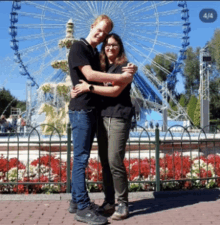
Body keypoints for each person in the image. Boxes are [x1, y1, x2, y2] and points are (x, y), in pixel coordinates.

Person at [68, 15, 135, 225]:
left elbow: (108, 86)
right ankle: (84, 206)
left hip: (102, 113)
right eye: (100, 32)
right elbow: (89, 74)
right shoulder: (79, 48)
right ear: (92, 26)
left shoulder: (98, 55)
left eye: (106, 36)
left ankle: (82, 202)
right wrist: (124, 78)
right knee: (83, 159)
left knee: (107, 160)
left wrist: (129, 73)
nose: (102, 38)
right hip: (84, 111)